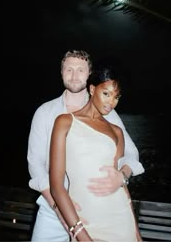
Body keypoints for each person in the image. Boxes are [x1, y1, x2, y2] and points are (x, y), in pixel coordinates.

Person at [27, 50, 144, 242]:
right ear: (61, 73)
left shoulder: (107, 113)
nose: (74, 75)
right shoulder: (45, 112)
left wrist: (121, 176)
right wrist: (57, 207)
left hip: (98, 210)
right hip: (53, 209)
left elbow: (130, 154)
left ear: (89, 74)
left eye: (80, 70)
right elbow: (35, 164)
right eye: (69, 69)